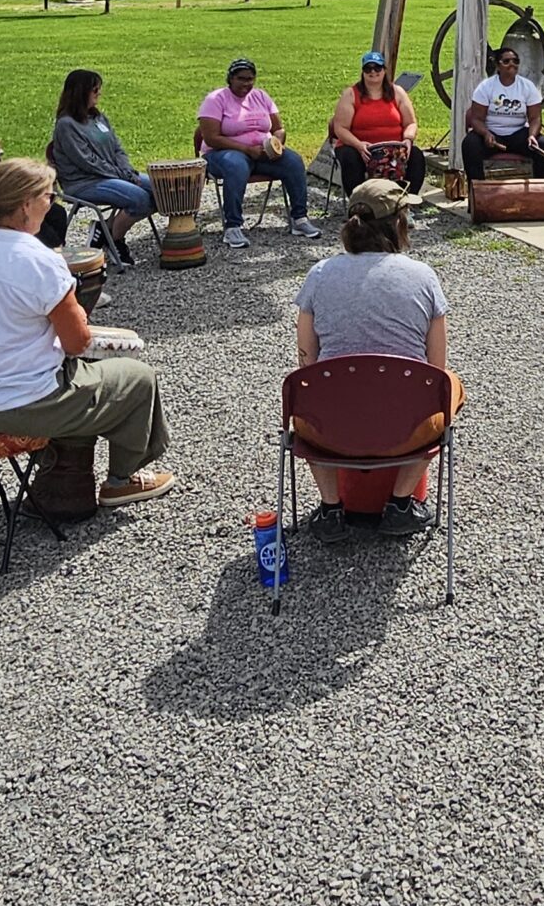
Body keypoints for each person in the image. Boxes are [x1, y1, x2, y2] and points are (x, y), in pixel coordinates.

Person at [0, 157, 175, 516]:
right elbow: (76, 343)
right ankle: (121, 480)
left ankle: (64, 478)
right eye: (48, 197)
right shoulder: (38, 260)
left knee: (83, 379)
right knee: (138, 378)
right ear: (26, 204)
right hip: (15, 405)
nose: (52, 204)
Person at [289, 180, 463, 541]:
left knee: (306, 397)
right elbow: (436, 369)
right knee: (451, 387)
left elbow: (307, 361)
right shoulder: (423, 277)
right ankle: (400, 503)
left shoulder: (319, 274)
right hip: (406, 429)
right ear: (399, 224)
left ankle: (331, 508)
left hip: (329, 430)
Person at [198, 56, 319, 249]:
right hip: (222, 153)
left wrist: (276, 145)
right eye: (241, 79)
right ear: (230, 78)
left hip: (263, 153)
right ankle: (232, 226)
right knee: (236, 165)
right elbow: (211, 137)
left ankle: (299, 218)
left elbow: (279, 129)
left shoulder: (261, 96)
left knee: (293, 161)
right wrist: (246, 149)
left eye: (250, 79)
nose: (246, 84)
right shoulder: (215, 99)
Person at [49, 69, 155, 256]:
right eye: (95, 90)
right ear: (81, 92)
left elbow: (117, 148)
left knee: (162, 189)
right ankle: (114, 241)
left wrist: (126, 170)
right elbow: (87, 162)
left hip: (113, 175)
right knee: (139, 199)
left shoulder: (98, 118)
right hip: (84, 182)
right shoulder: (66, 125)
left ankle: (105, 229)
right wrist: (123, 176)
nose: (99, 93)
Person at [328, 50, 427, 193]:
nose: (373, 72)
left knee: (416, 155)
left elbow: (411, 123)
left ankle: (407, 198)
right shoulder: (350, 94)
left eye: (377, 68)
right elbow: (340, 128)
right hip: (360, 148)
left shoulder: (397, 92)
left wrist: (408, 139)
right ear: (363, 72)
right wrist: (358, 145)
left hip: (394, 149)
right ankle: (359, 200)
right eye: (368, 68)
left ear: (384, 70)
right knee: (350, 158)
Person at [460, 45, 544, 180]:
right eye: (506, 61)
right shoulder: (486, 87)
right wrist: (486, 134)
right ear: (498, 66)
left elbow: (535, 118)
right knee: (470, 144)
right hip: (492, 134)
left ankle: (539, 189)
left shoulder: (528, 87)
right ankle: (478, 189)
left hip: (519, 134)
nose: (512, 64)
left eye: (516, 61)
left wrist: (532, 135)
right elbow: (476, 119)